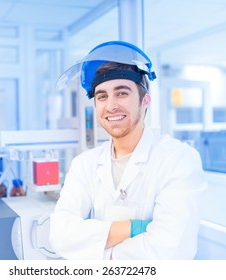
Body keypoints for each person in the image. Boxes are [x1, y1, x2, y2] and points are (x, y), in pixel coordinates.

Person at [49, 41, 207, 260]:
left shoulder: (179, 160)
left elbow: (169, 253)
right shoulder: (84, 164)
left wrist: (96, 253)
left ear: (145, 101)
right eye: (102, 96)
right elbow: (59, 235)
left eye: (122, 93)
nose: (111, 105)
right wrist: (133, 228)